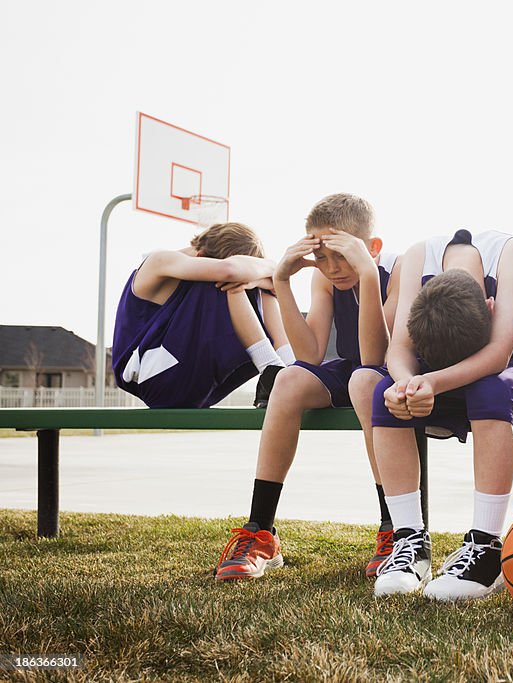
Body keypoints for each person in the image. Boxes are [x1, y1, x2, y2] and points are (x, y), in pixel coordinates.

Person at [214, 194, 401, 581]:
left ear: (372, 248)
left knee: (366, 381)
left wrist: (367, 274)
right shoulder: (325, 279)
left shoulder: (396, 273)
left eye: (341, 255)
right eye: (322, 257)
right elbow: (309, 354)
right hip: (353, 370)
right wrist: (281, 280)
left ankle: (394, 530)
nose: (332, 268)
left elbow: (375, 355)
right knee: (288, 379)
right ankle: (260, 531)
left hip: (395, 374)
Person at [370, 229, 513, 601]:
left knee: (489, 388)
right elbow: (398, 350)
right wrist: (407, 385)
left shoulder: (511, 255)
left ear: (490, 307)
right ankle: (410, 543)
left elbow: (498, 354)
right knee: (383, 394)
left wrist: (431, 384)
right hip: (436, 365)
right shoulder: (418, 254)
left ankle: (486, 546)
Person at [112, 221, 290, 409]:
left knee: (259, 289)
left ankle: (291, 369)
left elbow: (268, 282)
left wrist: (258, 281)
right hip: (152, 378)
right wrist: (270, 269)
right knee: (229, 280)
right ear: (201, 256)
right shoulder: (159, 261)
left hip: (200, 387)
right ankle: (271, 369)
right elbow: (229, 271)